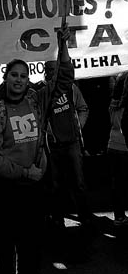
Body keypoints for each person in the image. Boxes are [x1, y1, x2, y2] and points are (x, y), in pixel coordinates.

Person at [0, 23, 72, 274]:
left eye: (23, 76)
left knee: (31, 255)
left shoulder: (37, 101)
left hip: (32, 195)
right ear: (5, 78)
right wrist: (24, 173)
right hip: (5, 195)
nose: (19, 80)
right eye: (14, 75)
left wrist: (64, 45)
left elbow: (62, 80)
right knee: (5, 257)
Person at [40, 61, 91, 229]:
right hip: (52, 145)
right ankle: (57, 218)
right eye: (48, 70)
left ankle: (85, 216)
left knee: (78, 182)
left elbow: (83, 108)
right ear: (44, 72)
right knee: (55, 184)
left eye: (54, 70)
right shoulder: (41, 92)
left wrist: (77, 128)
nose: (51, 74)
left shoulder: (70, 88)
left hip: (72, 143)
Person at [107, 72, 128, 227]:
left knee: (118, 185)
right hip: (125, 147)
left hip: (113, 145)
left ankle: (119, 217)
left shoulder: (113, 104)